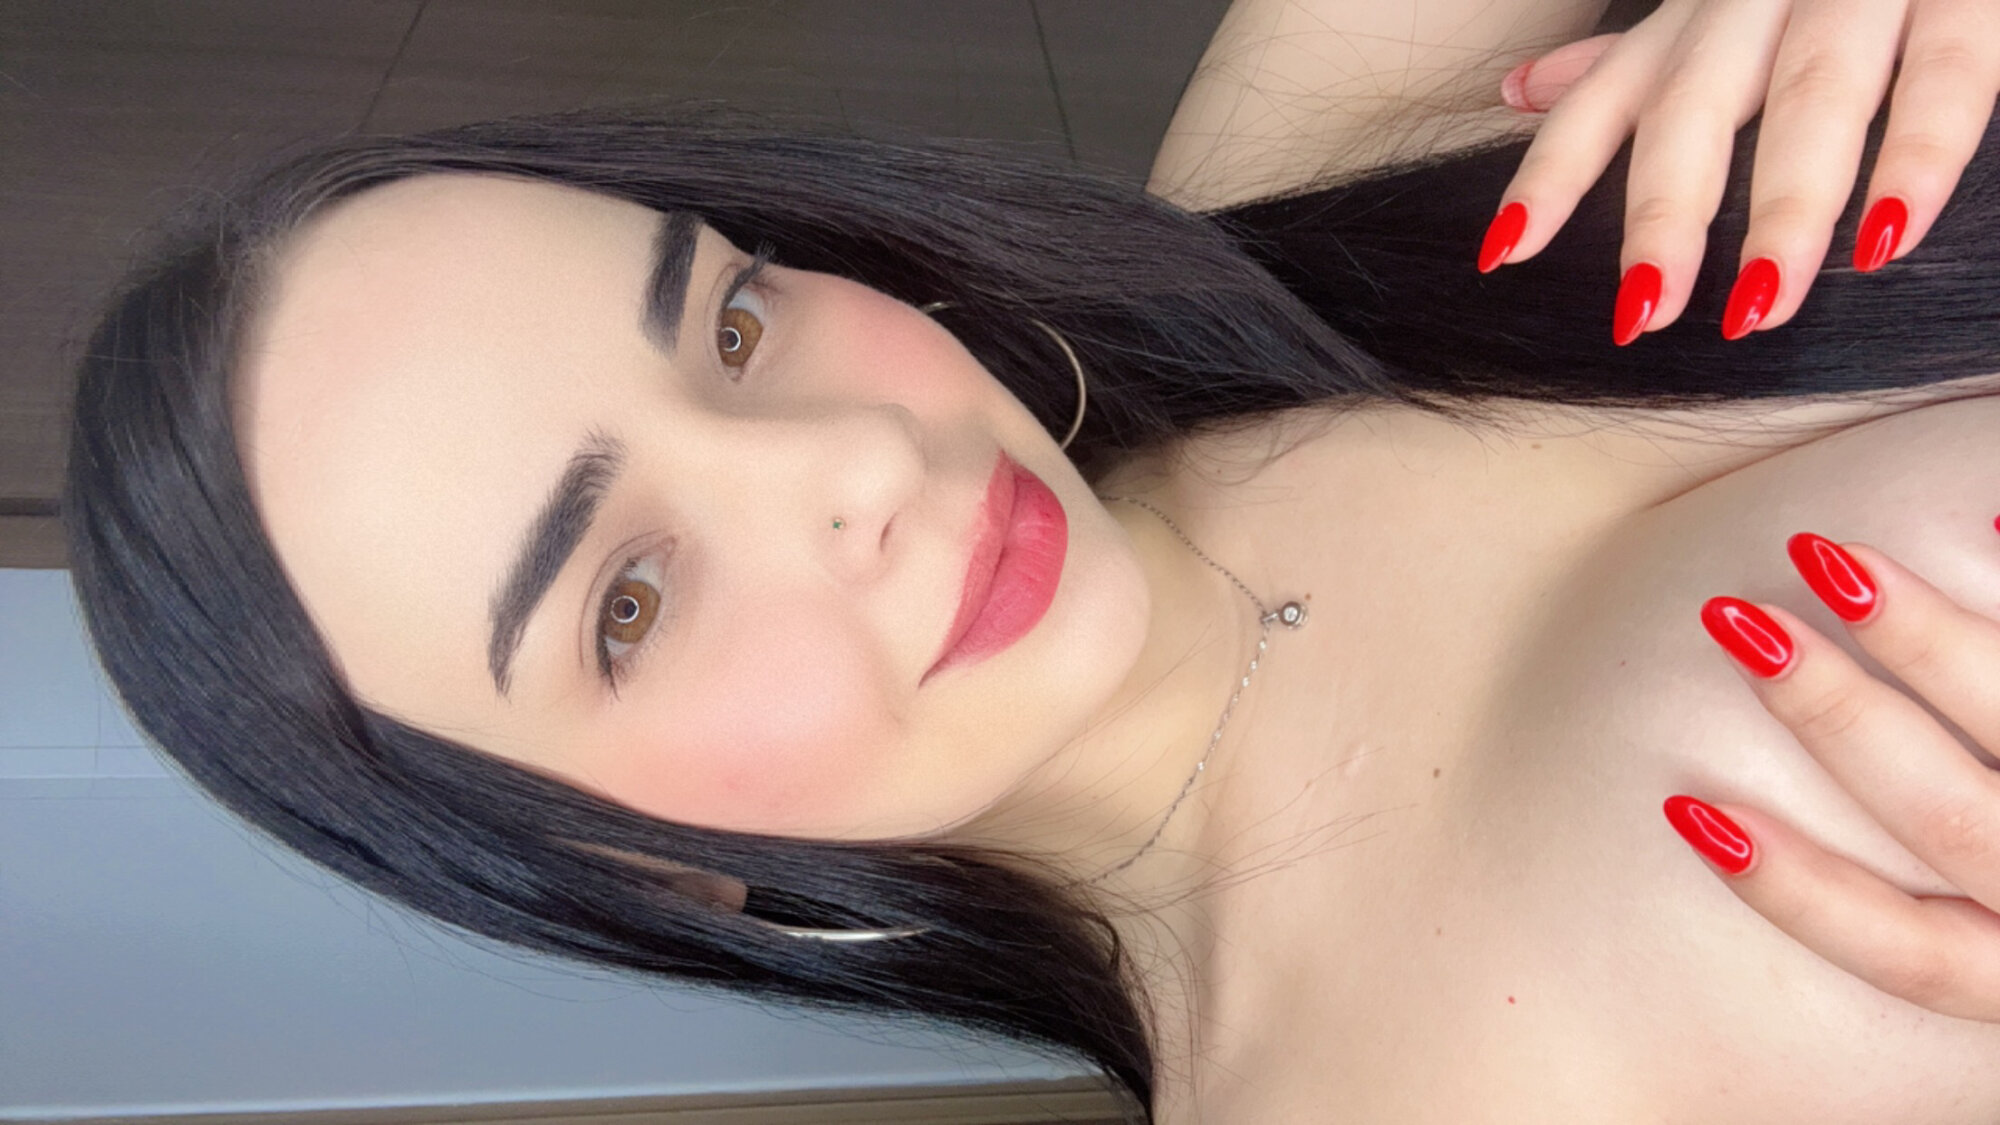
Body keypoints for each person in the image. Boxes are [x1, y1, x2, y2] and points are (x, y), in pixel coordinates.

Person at [62, 0, 2000, 1119]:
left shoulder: (1282, 200)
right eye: (628, 600)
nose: (847, 463)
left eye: (728, 322)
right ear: (619, 861)